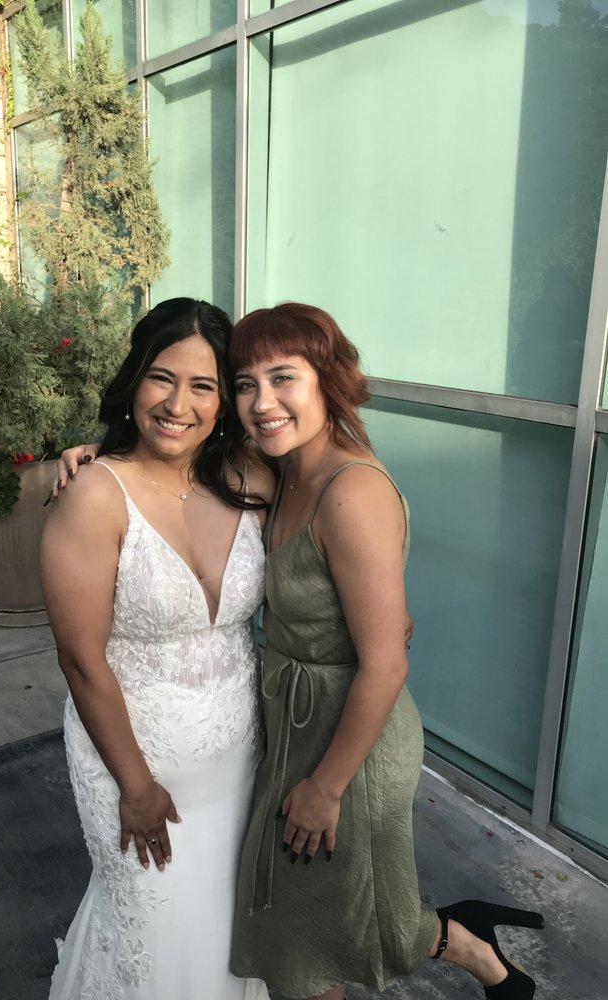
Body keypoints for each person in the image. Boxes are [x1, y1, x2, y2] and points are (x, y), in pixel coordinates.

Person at [226, 302, 544, 1000]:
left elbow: (386, 662)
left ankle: (465, 942)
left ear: (327, 378)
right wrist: (98, 458)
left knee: (315, 936)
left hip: (352, 744)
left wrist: (326, 787)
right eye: (245, 383)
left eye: (283, 377)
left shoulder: (350, 491)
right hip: (299, 722)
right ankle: (468, 941)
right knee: (319, 921)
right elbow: (180, 463)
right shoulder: (285, 468)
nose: (262, 401)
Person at [40, 297, 273, 1000]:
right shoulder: (95, 495)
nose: (178, 405)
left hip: (238, 756)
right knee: (153, 928)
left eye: (203, 385)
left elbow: (336, 482)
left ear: (225, 400)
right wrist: (135, 787)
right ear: (134, 378)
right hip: (134, 763)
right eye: (161, 378)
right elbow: (81, 661)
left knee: (223, 929)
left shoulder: (252, 478)